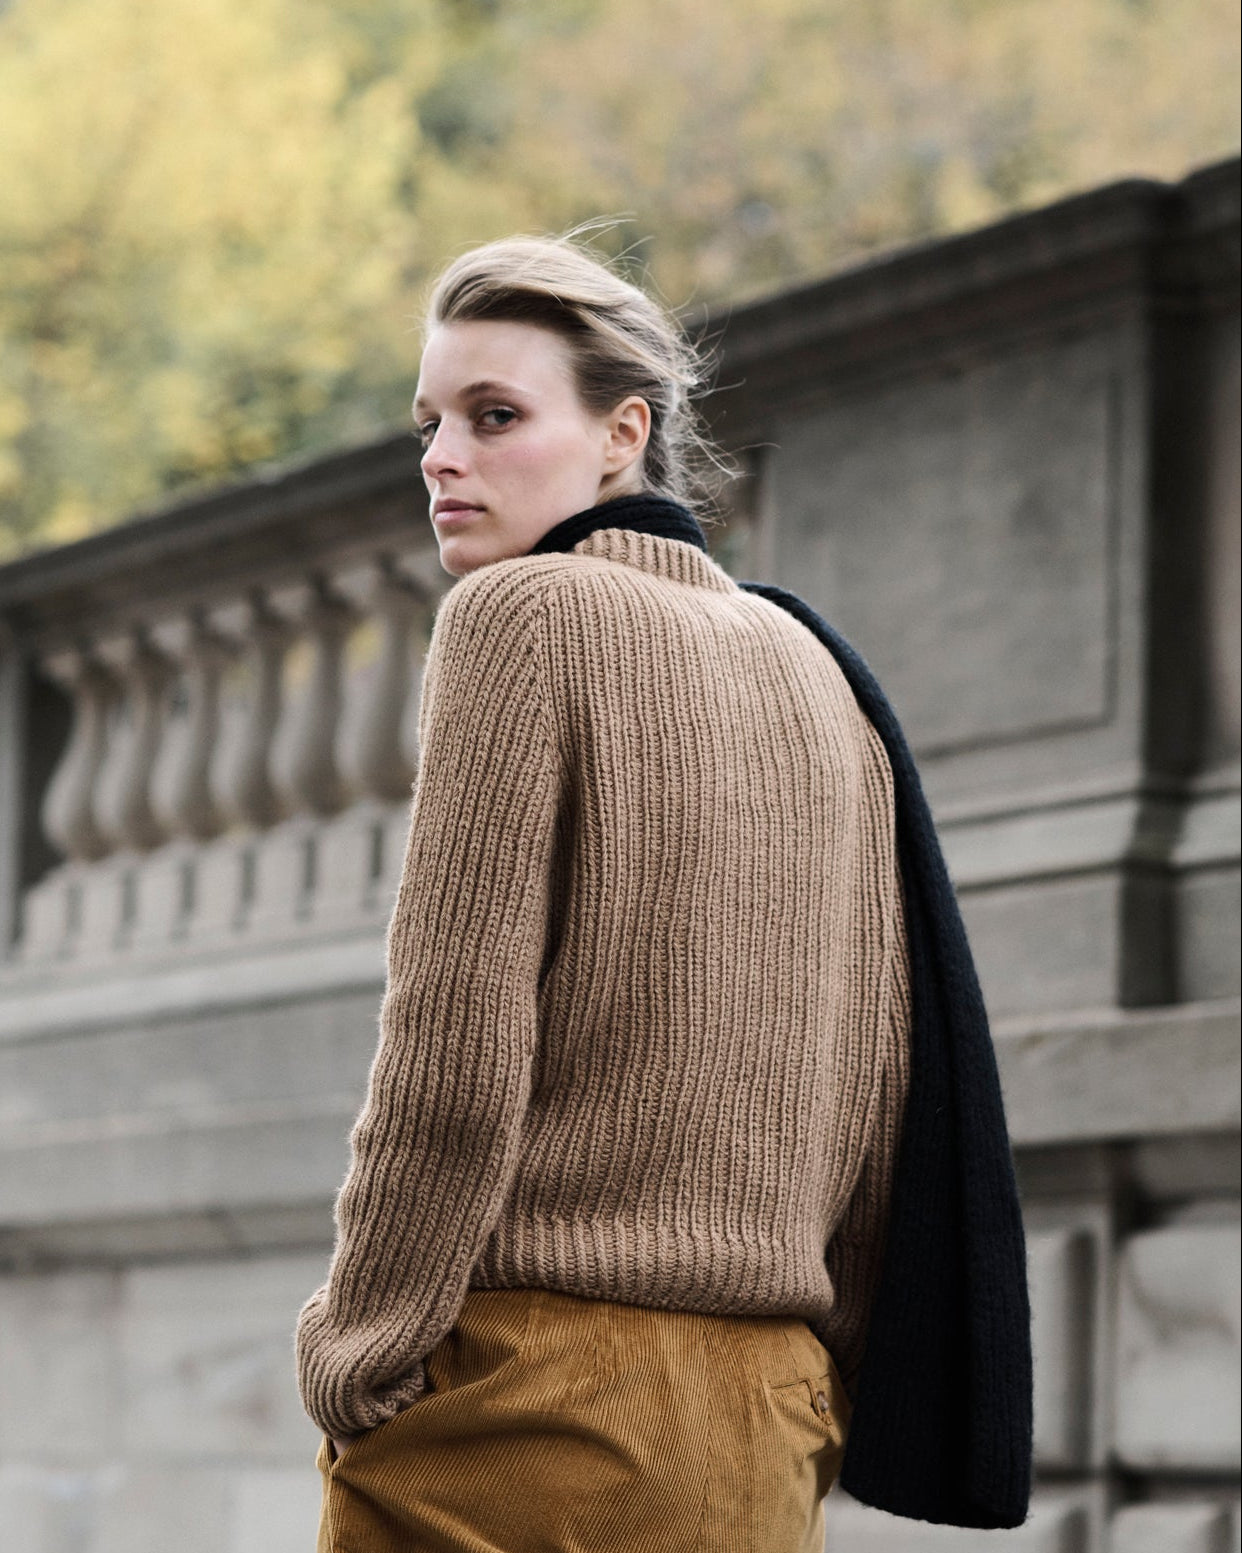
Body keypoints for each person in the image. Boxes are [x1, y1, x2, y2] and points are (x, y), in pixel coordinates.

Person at [295, 233, 1032, 1553]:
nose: (441, 458)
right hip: (766, 1415)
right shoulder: (820, 670)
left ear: (620, 432)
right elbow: (877, 1075)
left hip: (532, 1402)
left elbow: (453, 1049)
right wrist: (827, 1371)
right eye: (430, 423)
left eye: (495, 415)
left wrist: (358, 1349)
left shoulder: (520, 617)